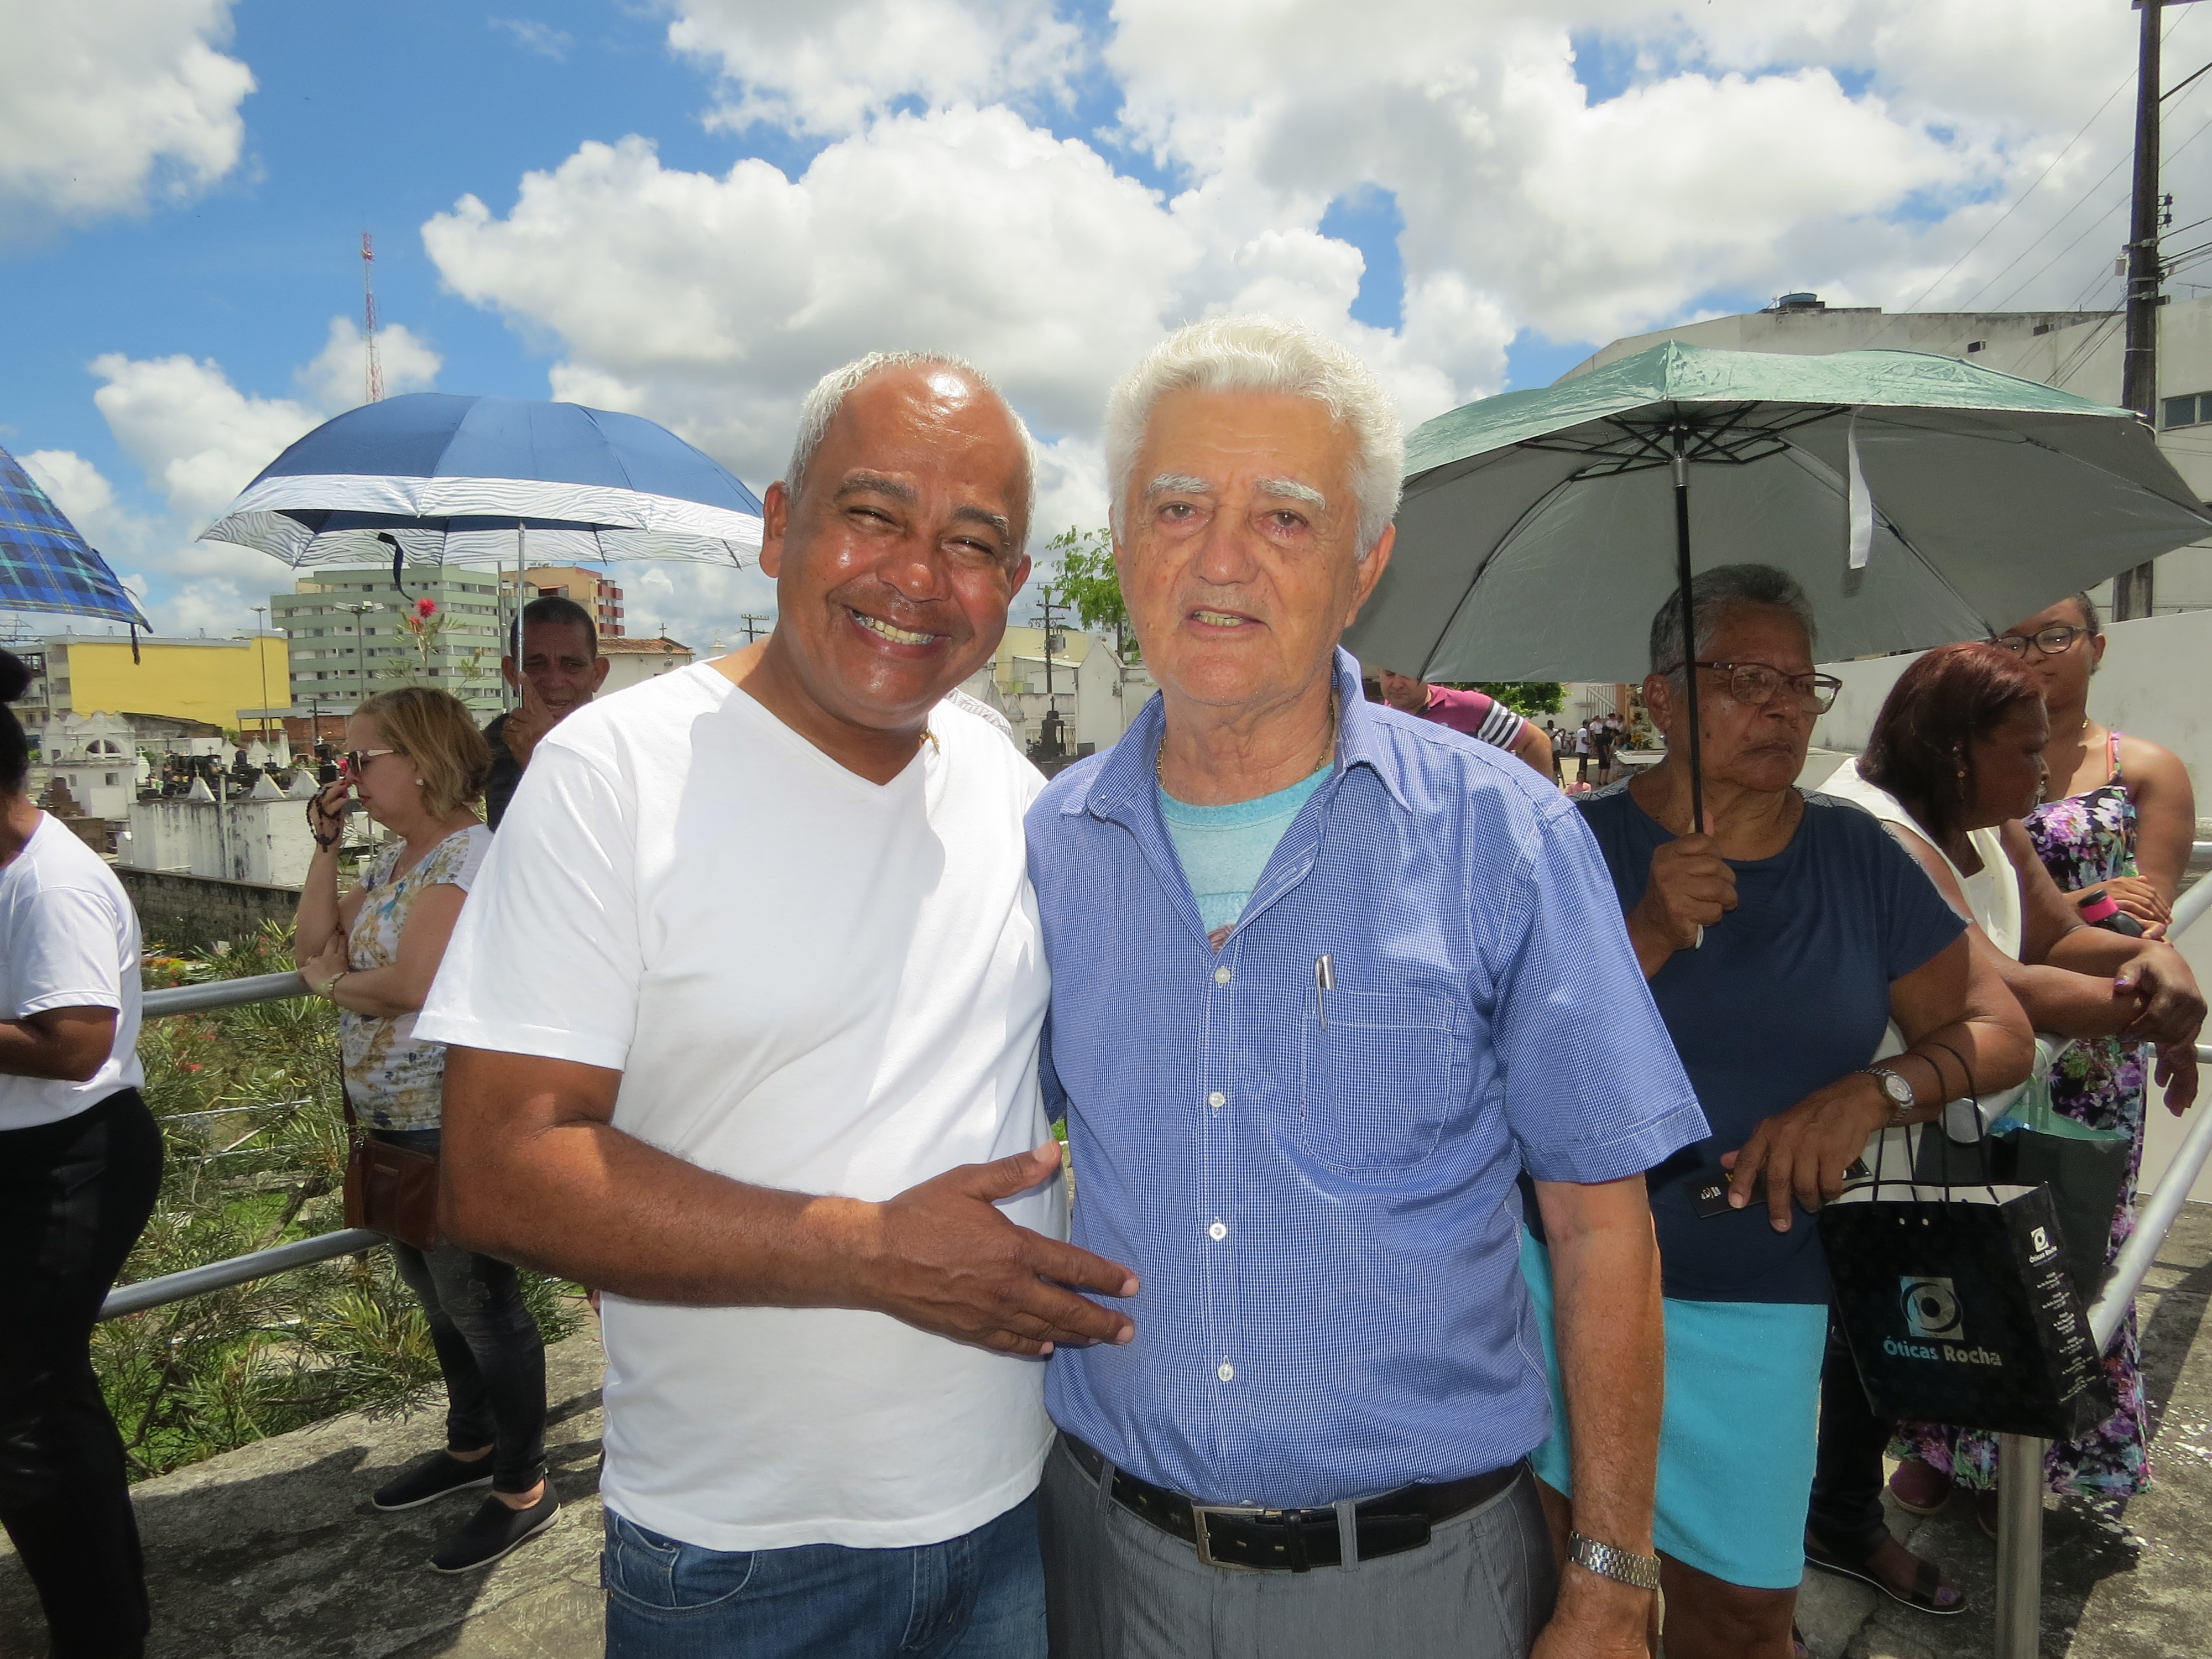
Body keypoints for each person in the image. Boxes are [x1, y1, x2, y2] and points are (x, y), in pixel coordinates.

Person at [421, 352, 1136, 1658]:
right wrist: (872, 1251)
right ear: (777, 525)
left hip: (1017, 1509)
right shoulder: (612, 774)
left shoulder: (1002, 777)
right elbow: (496, 1166)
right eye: (872, 514)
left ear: (1015, 583)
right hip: (742, 1554)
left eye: (971, 542)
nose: (917, 574)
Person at [1027, 316, 1709, 1659]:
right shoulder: (1051, 840)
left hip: (1417, 1590)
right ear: (1120, 534)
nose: (1221, 559)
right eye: (1177, 507)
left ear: (1364, 565)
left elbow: (1599, 1227)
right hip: (1110, 1570)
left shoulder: (1505, 836)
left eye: (1285, 517)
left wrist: (1610, 1576)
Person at [1531, 566, 2033, 1659]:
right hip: (1565, 1290)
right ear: (1658, 698)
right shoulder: (1565, 846)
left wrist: (1873, 1094)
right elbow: (1503, 1068)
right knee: (1576, 1594)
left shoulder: (1858, 858)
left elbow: (1998, 1030)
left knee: (1747, 1614)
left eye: (1800, 684)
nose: (1782, 708)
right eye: (1743, 679)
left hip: (1759, 1294)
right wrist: (1646, 932)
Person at [1811, 640, 2203, 1557]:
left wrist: (2154, 957)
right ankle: (1840, 1525)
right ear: (1956, 752)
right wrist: (2154, 1007)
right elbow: (2004, 985)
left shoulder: (1981, 814)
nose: (2045, 771)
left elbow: (2056, 938)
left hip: (1946, 1125)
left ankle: (1854, 1515)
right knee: (1867, 1333)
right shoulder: (1876, 830)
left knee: (1909, 1325)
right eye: (2025, 751)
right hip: (1880, 1125)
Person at [296, 686, 554, 1574]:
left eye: (363, 758)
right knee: (436, 1296)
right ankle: (471, 1443)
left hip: (451, 1120)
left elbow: (413, 985)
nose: (349, 775)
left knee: (481, 1305)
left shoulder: (465, 858)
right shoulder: (399, 862)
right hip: (392, 1122)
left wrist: (335, 986)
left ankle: (523, 1485)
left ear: (422, 761)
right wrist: (326, 848)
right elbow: (310, 943)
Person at [0, 648, 159, 1659]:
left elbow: (74, 1045)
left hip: (71, 1157)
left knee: (22, 1408)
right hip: (31, 1151)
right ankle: (108, 1618)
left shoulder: (53, 884)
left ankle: (99, 1634)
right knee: (43, 1389)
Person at [482, 595, 610, 829]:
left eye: (571, 665)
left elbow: (602, 835)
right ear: (511, 673)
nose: (553, 682)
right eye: (535, 665)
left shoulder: (620, 746)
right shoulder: (494, 742)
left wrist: (539, 755)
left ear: (598, 674)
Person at [1374, 666, 1556, 778]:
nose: (1397, 684)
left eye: (1407, 674)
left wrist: (1541, 806)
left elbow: (1536, 741)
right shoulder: (1373, 721)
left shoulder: (1470, 707)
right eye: (1389, 674)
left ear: (1426, 672)